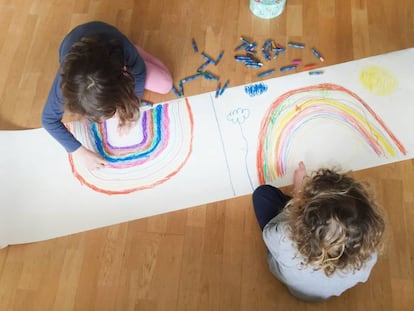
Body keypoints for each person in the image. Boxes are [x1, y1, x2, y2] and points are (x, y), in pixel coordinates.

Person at [42, 21, 173, 170]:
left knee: (165, 84)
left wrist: (131, 108)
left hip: (118, 48)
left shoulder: (122, 51)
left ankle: (136, 52)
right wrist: (78, 151)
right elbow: (48, 120)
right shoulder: (66, 85)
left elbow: (140, 72)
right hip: (75, 45)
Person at [252, 161, 385, 301]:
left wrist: (298, 195)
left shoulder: (284, 237)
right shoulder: (367, 253)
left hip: (298, 291)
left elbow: (268, 232)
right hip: (324, 294)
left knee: (262, 194)